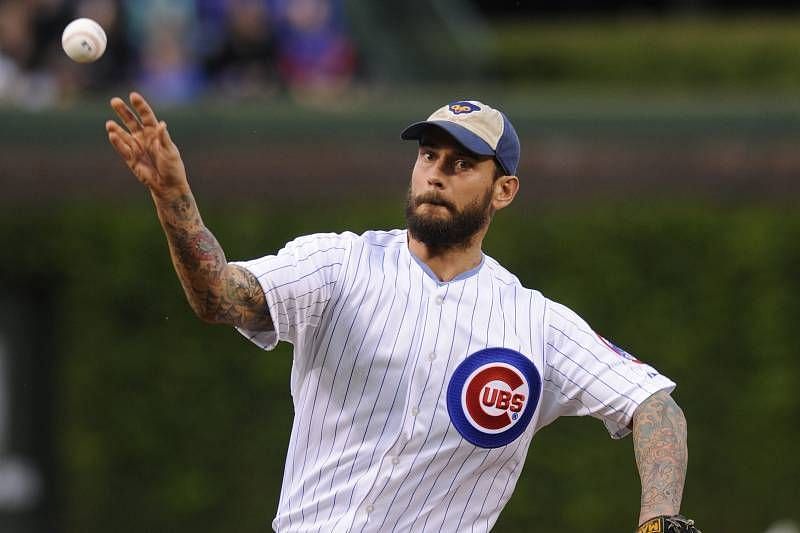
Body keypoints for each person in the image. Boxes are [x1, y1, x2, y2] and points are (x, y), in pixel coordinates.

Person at [105, 93, 700, 533]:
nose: (437, 173)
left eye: (463, 163)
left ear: (504, 191)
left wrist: (659, 520)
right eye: (429, 155)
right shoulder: (341, 264)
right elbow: (218, 297)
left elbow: (653, 405)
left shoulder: (534, 324)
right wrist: (174, 200)